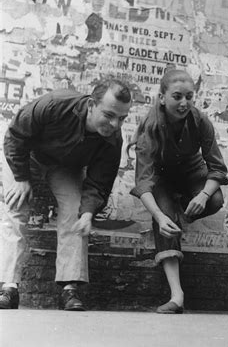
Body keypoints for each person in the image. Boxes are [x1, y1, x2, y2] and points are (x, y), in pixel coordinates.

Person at [0, 79, 132, 310]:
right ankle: (8, 287)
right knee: (16, 206)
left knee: (76, 212)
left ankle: (70, 289)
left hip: (64, 167)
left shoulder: (113, 139)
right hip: (26, 155)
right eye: (109, 115)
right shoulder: (55, 104)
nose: (114, 124)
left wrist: (89, 213)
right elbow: (15, 136)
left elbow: (99, 182)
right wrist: (21, 178)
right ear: (91, 105)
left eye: (122, 118)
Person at [130, 69, 228, 314]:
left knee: (215, 199)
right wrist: (159, 216)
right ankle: (177, 296)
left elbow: (217, 167)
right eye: (177, 96)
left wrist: (203, 195)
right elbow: (144, 182)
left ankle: (180, 216)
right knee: (163, 218)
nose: (184, 103)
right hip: (161, 179)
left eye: (189, 96)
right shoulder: (149, 127)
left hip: (191, 173)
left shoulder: (201, 120)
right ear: (162, 97)